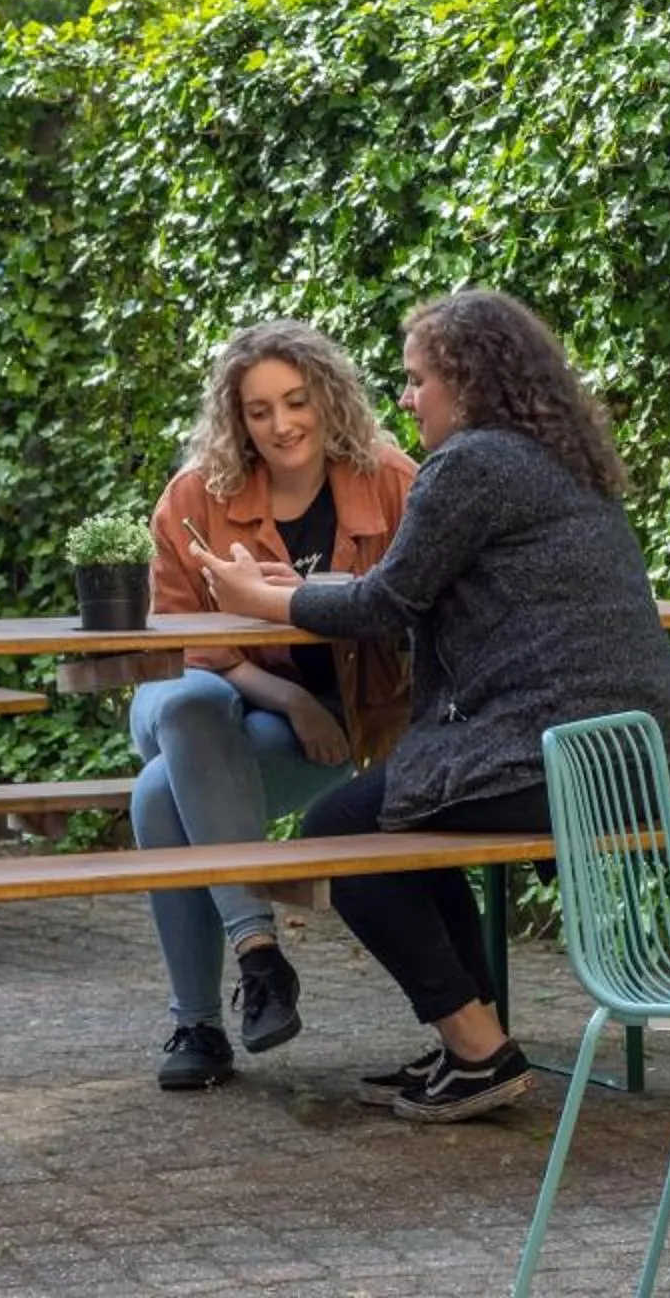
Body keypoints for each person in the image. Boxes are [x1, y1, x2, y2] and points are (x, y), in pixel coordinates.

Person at [192, 289, 670, 1125]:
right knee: (407, 829)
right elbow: (407, 587)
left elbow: (386, 606)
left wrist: (262, 598)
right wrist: (304, 588)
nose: (408, 397)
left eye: (419, 379)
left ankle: (477, 1049)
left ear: (468, 381)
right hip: (631, 759)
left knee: (339, 837)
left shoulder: (473, 464)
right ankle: (478, 1040)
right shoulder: (557, 460)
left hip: (546, 755)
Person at [131, 320, 415, 1092]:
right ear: (236, 418)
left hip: (329, 714)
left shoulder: (391, 481)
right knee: (192, 708)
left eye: (296, 402)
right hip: (194, 693)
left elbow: (422, 603)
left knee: (160, 795)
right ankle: (258, 950)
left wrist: (317, 708)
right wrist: (290, 696)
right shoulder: (195, 495)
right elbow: (180, 644)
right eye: (259, 411)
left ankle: (198, 1025)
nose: (282, 425)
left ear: (328, 397)